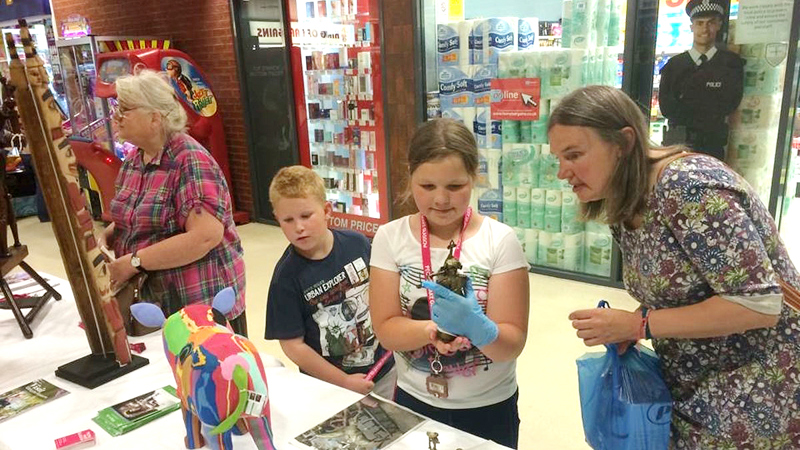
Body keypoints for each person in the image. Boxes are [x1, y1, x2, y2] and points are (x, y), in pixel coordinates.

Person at [550, 85, 800, 448]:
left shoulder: (688, 186)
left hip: (757, 391)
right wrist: (631, 326)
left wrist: (640, 324)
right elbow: (679, 286)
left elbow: (759, 303)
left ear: (623, 142)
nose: (563, 172)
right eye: (558, 159)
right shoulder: (627, 200)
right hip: (693, 386)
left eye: (574, 155)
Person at [369, 118, 530, 448]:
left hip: (487, 407)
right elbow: (386, 329)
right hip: (414, 402)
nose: (441, 199)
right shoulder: (390, 238)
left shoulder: (500, 241)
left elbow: (510, 345)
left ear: (473, 177)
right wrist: (432, 330)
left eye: (455, 187)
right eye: (427, 187)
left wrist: (476, 326)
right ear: (410, 176)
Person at [102, 70, 247, 335]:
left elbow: (204, 237)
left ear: (154, 118)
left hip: (198, 306)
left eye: (124, 109)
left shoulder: (189, 160)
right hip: (157, 305)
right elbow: (140, 217)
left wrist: (133, 262)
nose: (116, 116)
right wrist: (106, 236)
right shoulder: (136, 161)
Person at [264, 165, 396, 397]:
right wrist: (343, 381)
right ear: (277, 219)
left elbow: (384, 291)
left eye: (306, 216)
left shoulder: (358, 243)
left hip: (386, 367)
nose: (299, 227)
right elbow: (293, 346)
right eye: (288, 220)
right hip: (331, 386)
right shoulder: (285, 279)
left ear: (327, 210)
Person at [658, 0, 744, 161]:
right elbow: (667, 108)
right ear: (692, 27)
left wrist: (689, 103)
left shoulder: (731, 64)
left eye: (711, 23)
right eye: (699, 23)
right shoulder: (675, 65)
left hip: (712, 147)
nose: (705, 29)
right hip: (678, 147)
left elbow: (730, 103)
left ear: (718, 25)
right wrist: (708, 102)